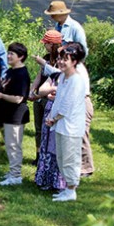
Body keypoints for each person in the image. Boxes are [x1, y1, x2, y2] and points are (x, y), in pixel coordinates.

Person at [45, 43, 87, 202]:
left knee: (70, 158)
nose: (61, 62)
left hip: (71, 126)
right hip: (60, 124)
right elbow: (58, 101)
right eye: (60, 59)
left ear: (74, 61)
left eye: (65, 59)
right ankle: (67, 188)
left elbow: (67, 106)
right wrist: (51, 117)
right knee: (61, 158)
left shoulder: (77, 80)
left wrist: (54, 118)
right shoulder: (63, 77)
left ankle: (71, 190)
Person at [0, 42, 30, 185]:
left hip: (16, 115)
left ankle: (16, 176)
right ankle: (12, 171)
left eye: (12, 54)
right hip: (6, 113)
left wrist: (0, 96)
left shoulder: (22, 74)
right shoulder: (10, 71)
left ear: (21, 57)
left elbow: (19, 98)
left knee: (14, 145)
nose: (8, 56)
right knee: (9, 144)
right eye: (8, 53)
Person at [29, 30, 63, 159]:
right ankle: (38, 155)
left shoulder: (62, 58)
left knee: (49, 127)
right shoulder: (46, 57)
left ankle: (48, 155)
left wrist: (43, 63)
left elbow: (58, 74)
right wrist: (32, 90)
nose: (45, 46)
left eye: (46, 43)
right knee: (38, 128)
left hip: (51, 97)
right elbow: (39, 76)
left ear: (52, 44)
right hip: (40, 96)